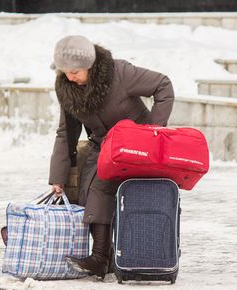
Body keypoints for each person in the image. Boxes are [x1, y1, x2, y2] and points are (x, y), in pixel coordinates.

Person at [48, 35, 175, 279]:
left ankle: (101, 258)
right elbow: (66, 132)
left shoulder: (119, 73)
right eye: (64, 72)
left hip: (136, 142)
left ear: (90, 65)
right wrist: (58, 177)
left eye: (74, 71)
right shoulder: (67, 88)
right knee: (87, 186)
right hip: (104, 146)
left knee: (100, 183)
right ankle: (103, 259)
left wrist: (153, 133)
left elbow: (163, 85)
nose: (69, 77)